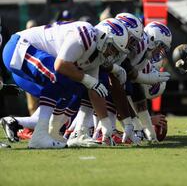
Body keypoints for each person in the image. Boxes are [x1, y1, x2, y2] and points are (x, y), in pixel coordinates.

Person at [1, 19, 129, 148]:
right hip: (19, 47)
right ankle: (40, 135)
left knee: (75, 87)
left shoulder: (96, 54)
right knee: (59, 77)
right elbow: (60, 66)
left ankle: (54, 132)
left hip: (30, 55)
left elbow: (94, 90)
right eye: (112, 48)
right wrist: (88, 80)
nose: (112, 54)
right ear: (104, 36)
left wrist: (105, 124)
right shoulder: (85, 35)